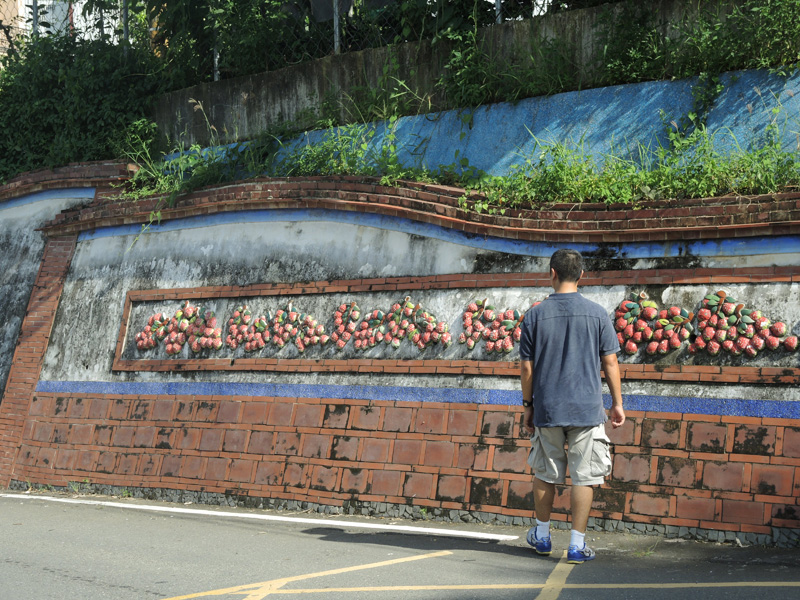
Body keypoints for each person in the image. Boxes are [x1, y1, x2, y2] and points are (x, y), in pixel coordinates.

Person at [519, 248, 625, 564]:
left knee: (545, 472)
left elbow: (527, 369)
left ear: (551, 273)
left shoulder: (534, 316)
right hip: (587, 408)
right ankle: (577, 545)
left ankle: (542, 535)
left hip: (548, 408)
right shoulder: (597, 314)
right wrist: (617, 403)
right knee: (585, 476)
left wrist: (528, 406)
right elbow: (611, 362)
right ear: (581, 276)